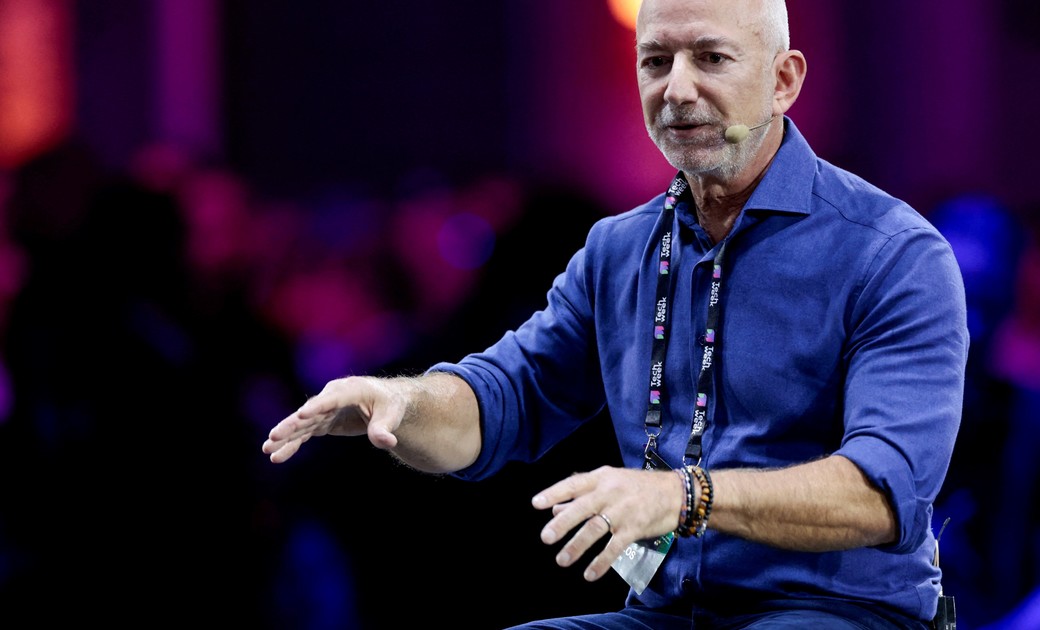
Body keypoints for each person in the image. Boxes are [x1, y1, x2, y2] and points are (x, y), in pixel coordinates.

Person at [262, 0, 969, 628]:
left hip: (842, 613)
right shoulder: (619, 250)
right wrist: (401, 402)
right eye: (656, 61)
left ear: (784, 80)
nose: (677, 88)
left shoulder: (892, 254)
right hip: (667, 613)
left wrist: (686, 498)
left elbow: (883, 494)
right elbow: (501, 401)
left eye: (711, 58)